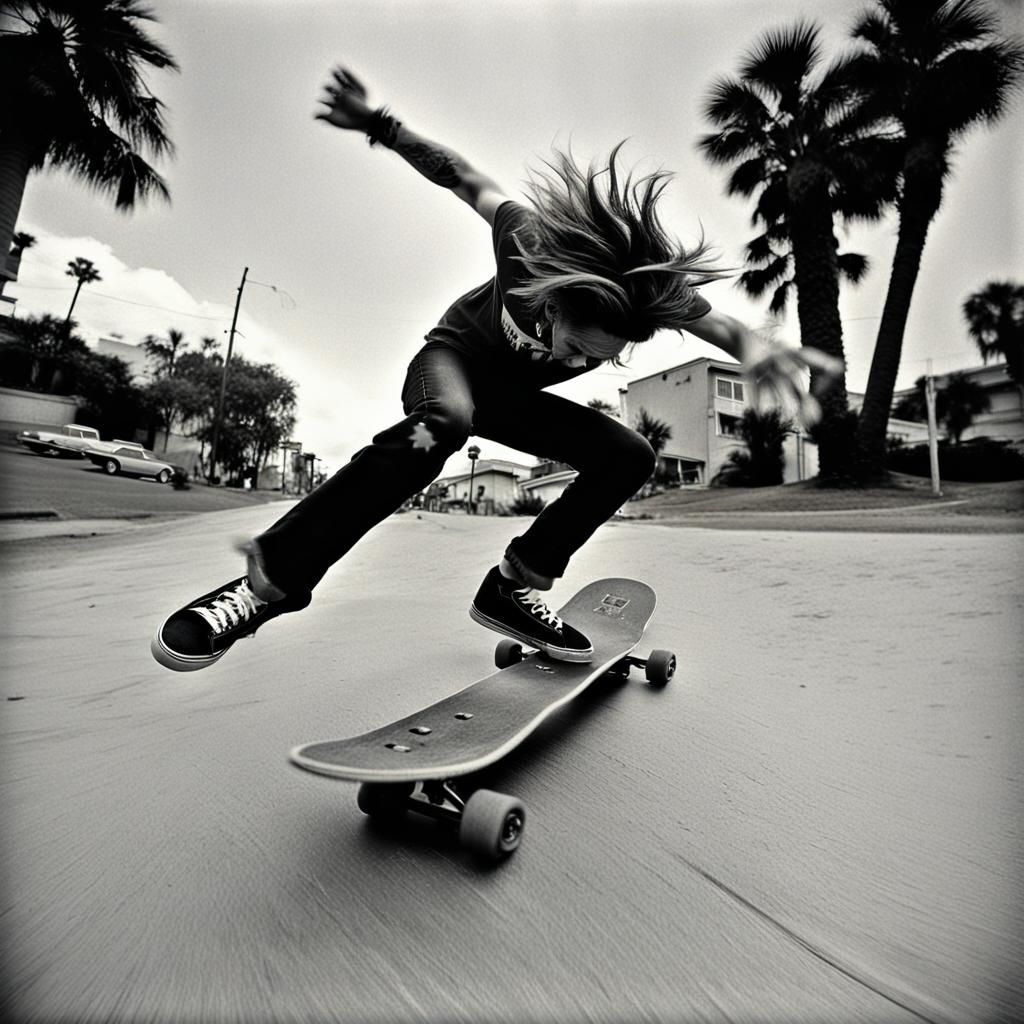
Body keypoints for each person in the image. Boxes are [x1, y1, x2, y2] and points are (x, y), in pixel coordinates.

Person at [151, 66, 838, 673]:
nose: (574, 362)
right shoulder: (527, 240)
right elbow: (462, 175)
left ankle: (515, 584)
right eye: (573, 344)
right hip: (445, 367)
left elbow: (715, 323)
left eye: (596, 359)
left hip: (508, 400)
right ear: (553, 295)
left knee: (626, 455)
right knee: (444, 424)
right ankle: (266, 584)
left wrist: (761, 352)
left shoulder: (646, 301)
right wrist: (380, 126)